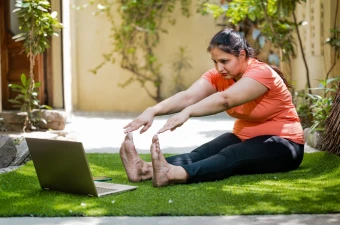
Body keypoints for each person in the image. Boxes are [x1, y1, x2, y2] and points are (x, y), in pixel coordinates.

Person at [120, 28, 304, 187]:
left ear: (242, 55)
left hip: (285, 144)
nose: (219, 68)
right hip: (245, 137)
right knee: (202, 153)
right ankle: (143, 170)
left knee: (231, 154)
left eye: (224, 61)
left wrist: (188, 112)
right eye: (215, 62)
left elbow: (226, 99)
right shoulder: (220, 75)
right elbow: (188, 96)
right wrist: (153, 110)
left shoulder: (261, 73)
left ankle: (172, 174)